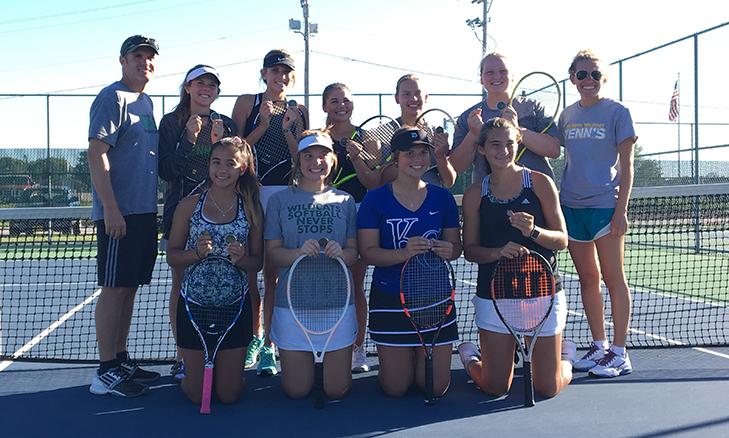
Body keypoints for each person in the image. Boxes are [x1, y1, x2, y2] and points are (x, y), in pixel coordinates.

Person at [457, 117, 572, 398]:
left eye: (509, 144)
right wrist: (498, 253)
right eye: (495, 144)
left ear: (517, 145)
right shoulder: (474, 194)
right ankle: (471, 357)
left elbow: (562, 240)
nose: (503, 150)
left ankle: (566, 357)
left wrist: (533, 232)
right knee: (496, 387)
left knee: (547, 387)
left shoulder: (541, 183)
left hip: (542, 294)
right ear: (482, 149)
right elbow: (470, 250)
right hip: (496, 296)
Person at [358, 127, 462, 397]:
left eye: (423, 152)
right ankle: (403, 361)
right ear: (396, 157)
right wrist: (404, 253)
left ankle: (425, 357)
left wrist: (447, 249)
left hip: (435, 300)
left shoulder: (443, 198)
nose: (417, 159)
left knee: (435, 388)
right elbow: (368, 252)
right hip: (390, 299)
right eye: (409, 153)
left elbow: (456, 249)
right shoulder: (375, 199)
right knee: (396, 388)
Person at [87, 35, 162, 397]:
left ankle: (119, 359)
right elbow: (96, 153)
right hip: (120, 213)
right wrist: (111, 208)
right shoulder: (112, 97)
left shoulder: (145, 103)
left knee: (129, 287)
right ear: (122, 60)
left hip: (144, 213)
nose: (144, 62)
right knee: (114, 288)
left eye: (149, 57)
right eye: (137, 56)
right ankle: (104, 371)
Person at [166, 136, 263, 405]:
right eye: (216, 162)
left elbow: (258, 262)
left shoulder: (252, 208)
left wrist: (242, 259)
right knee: (198, 394)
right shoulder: (188, 206)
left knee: (229, 395)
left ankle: (225, 371)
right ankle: (191, 371)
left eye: (230, 163)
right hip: (193, 309)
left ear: (242, 168)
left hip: (234, 309)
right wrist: (194, 254)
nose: (222, 169)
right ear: (209, 166)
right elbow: (172, 256)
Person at [558, 49, 637, 378]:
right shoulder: (566, 115)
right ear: (573, 78)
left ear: (603, 78)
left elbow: (628, 166)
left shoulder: (618, 112)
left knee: (614, 278)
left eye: (594, 74)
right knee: (588, 279)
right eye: (581, 74)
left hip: (605, 206)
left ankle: (620, 353)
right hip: (571, 207)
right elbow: (552, 149)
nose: (587, 80)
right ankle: (600, 345)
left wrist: (622, 211)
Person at [265, 129, 359, 399]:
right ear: (298, 160)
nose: (316, 162)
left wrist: (342, 252)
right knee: (296, 391)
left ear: (333, 161)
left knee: (336, 390)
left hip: (338, 306)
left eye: (322, 156)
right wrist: (296, 253)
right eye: (308, 156)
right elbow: (273, 254)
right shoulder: (279, 200)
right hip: (292, 307)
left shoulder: (345, 201)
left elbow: (354, 253)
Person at [231, 49, 309, 375]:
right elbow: (235, 151)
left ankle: (270, 346)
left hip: (284, 196)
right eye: (275, 70)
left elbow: (301, 158)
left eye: (286, 71)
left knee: (275, 276)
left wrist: (291, 130)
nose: (281, 76)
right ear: (264, 73)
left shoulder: (299, 110)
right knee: (251, 270)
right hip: (251, 193)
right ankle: (253, 336)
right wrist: (262, 124)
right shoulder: (247, 102)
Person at [158, 64, 237, 380]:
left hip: (224, 215)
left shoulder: (226, 123)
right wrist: (188, 141)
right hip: (182, 215)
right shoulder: (170, 123)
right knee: (182, 285)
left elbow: (235, 166)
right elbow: (167, 171)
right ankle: (183, 355)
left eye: (212, 84)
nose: (206, 88)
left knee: (227, 280)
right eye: (200, 83)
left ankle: (221, 351)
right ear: (188, 87)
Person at [320, 82, 379, 373]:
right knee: (328, 285)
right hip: (326, 215)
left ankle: (357, 350)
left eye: (345, 100)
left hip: (358, 215)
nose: (341, 105)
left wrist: (357, 157)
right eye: (334, 101)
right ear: (324, 106)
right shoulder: (318, 139)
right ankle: (327, 345)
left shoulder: (367, 138)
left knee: (354, 284)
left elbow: (372, 182)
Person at [449, 53, 560, 183]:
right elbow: (456, 166)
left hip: (536, 193)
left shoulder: (533, 107)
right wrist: (473, 135)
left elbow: (554, 150)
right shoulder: (469, 117)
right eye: (490, 72)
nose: (497, 76)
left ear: (512, 76)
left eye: (503, 71)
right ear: (481, 78)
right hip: (488, 195)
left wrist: (517, 129)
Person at [379, 74, 456, 188]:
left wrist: (440, 156)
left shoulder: (435, 132)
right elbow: (380, 179)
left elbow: (449, 181)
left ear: (426, 97)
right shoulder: (382, 133)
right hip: (397, 201)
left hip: (430, 202)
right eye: (406, 94)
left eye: (418, 93)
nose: (413, 98)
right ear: (397, 98)